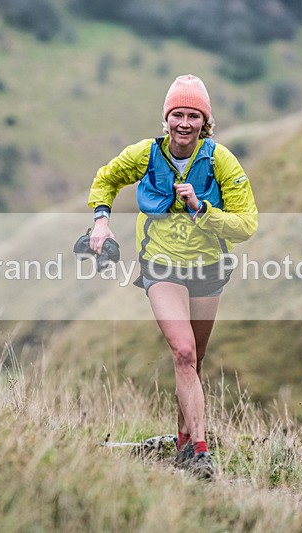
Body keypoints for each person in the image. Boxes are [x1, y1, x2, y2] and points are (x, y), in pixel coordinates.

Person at [86, 74, 258, 479]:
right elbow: (106, 179)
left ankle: (182, 442)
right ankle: (201, 451)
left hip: (208, 270)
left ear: (205, 121)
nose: (184, 123)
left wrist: (202, 209)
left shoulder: (220, 160)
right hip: (161, 267)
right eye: (177, 114)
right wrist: (100, 222)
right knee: (182, 352)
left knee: (193, 362)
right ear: (166, 119)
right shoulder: (145, 154)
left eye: (193, 115)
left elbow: (246, 223)